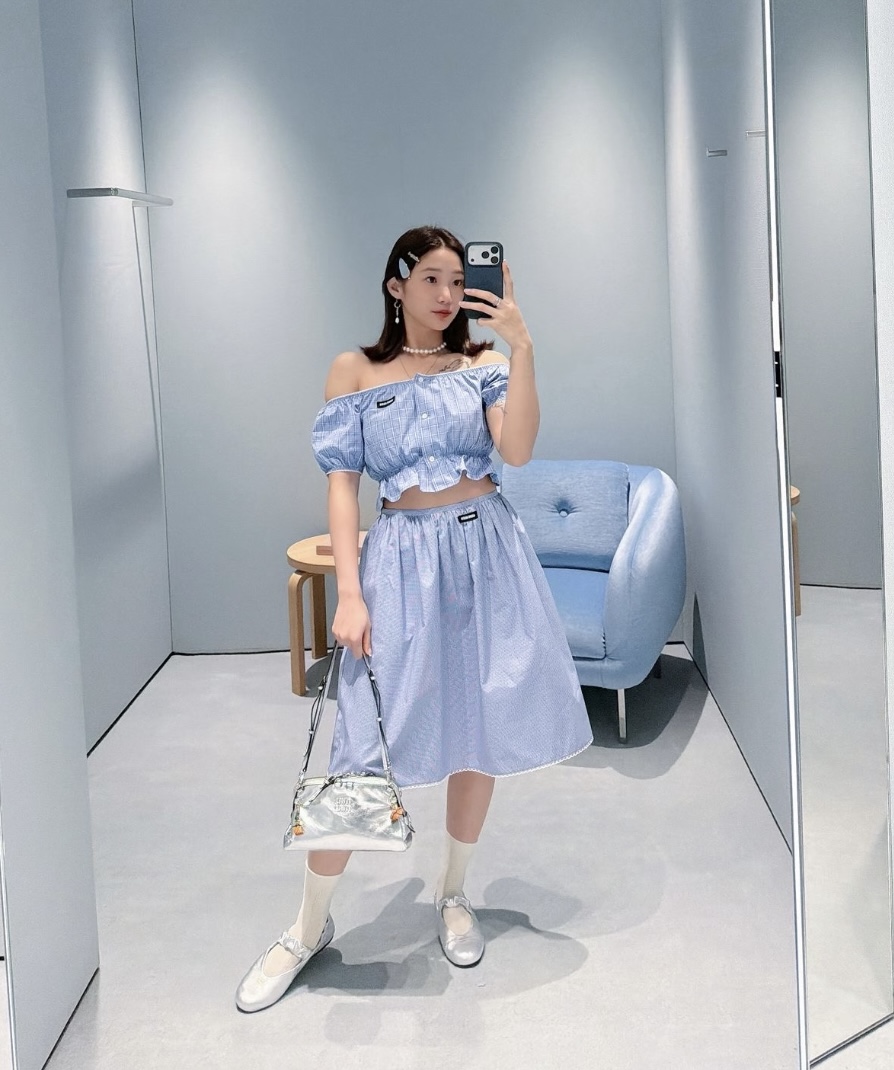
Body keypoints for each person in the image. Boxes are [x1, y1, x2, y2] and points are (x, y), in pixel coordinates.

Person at [235, 225, 593, 1012]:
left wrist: (523, 347)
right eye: (430, 277)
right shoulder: (355, 370)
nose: (446, 293)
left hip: (487, 554)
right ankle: (306, 928)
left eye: (457, 279)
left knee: (479, 726)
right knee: (360, 749)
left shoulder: (482, 364)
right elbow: (342, 484)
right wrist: (350, 593)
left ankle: (453, 893)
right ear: (396, 286)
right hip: (399, 562)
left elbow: (518, 452)